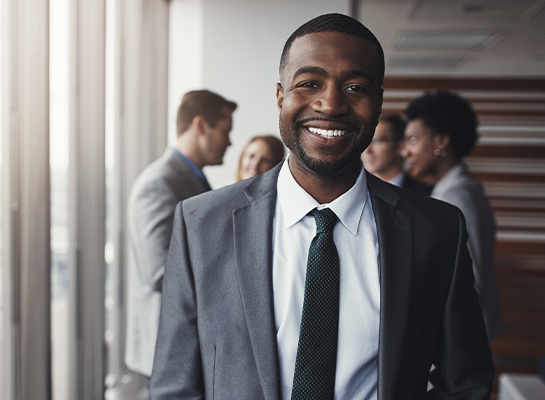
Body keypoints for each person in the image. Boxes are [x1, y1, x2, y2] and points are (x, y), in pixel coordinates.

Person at [151, 13, 494, 400]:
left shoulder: (437, 230)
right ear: (280, 97)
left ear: (378, 103)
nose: (330, 104)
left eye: (355, 87)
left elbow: (466, 382)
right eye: (310, 83)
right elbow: (173, 387)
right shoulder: (201, 224)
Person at [125, 89, 237, 380]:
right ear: (201, 126)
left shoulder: (194, 180)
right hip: (165, 359)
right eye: (225, 131)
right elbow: (160, 272)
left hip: (186, 352)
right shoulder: (159, 185)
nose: (229, 141)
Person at [402, 90, 504, 341]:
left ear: (441, 142)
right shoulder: (455, 190)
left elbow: (470, 280)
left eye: (413, 140)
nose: (405, 152)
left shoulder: (457, 197)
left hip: (460, 340)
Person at [361, 114, 432, 195]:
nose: (367, 150)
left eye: (376, 141)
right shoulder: (355, 193)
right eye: (365, 141)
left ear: (400, 146)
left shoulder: (427, 194)